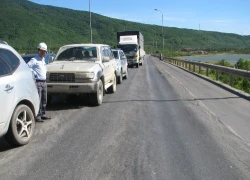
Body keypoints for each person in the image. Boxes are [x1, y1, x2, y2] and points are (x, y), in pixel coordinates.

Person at [28, 42, 51, 122]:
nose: (44, 52)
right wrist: (34, 73)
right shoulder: (34, 60)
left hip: (44, 82)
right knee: (39, 99)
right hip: (38, 82)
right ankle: (38, 115)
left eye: (45, 51)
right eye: (42, 51)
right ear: (39, 50)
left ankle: (43, 114)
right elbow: (28, 67)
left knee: (44, 99)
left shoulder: (43, 60)